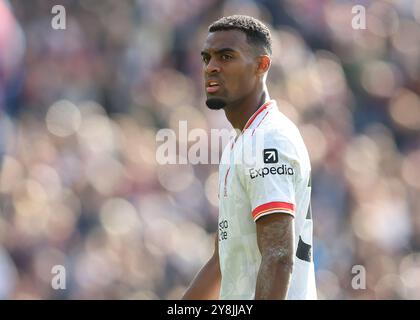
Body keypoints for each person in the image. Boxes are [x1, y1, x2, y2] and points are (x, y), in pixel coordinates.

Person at [182, 15, 316, 300]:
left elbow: (279, 256)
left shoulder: (269, 138)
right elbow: (223, 260)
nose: (211, 67)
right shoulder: (240, 141)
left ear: (261, 65)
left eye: (226, 56)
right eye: (206, 58)